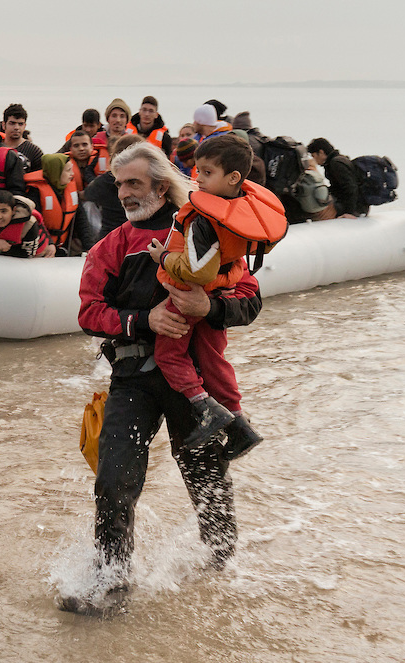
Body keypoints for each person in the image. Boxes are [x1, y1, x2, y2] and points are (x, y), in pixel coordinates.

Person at [68, 142, 263, 609]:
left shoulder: (209, 232)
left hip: (192, 381)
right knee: (114, 481)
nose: (124, 193)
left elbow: (251, 300)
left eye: (133, 183)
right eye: (119, 185)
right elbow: (89, 313)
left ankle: (222, 570)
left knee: (207, 478)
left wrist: (209, 306)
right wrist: (143, 321)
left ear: (161, 184)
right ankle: (111, 581)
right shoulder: (109, 248)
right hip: (133, 378)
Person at [146, 134, 284, 448]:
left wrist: (163, 257)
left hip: (187, 298)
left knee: (168, 356)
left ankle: (206, 409)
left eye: (207, 173)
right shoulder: (240, 209)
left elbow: (199, 270)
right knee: (214, 360)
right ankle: (239, 425)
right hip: (225, 292)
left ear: (233, 178)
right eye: (198, 171)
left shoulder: (204, 218)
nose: (198, 178)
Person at [24, 153, 94, 254]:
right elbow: (35, 222)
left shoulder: (70, 190)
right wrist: (48, 243)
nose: (72, 174)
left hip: (63, 244)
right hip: (42, 247)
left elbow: (81, 219)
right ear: (56, 171)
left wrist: (90, 246)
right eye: (68, 170)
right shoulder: (35, 192)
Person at [84, 134, 144, 243]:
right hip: (139, 237)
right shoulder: (148, 180)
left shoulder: (106, 180)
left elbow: (88, 194)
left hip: (110, 238)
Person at [0, 190, 55, 258]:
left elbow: (28, 254)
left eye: (4, 211)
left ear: (13, 210)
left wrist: (1, 250)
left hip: (38, 256)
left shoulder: (29, 224)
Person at [306, 138, 368, 218]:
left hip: (356, 208)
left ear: (321, 152)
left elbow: (351, 187)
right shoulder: (337, 160)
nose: (314, 160)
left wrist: (349, 212)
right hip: (356, 205)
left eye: (313, 156)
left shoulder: (336, 163)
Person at [2, 103, 44, 173]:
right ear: (4, 125)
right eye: (12, 123)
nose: (16, 128)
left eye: (20, 124)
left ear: (24, 126)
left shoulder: (34, 151)